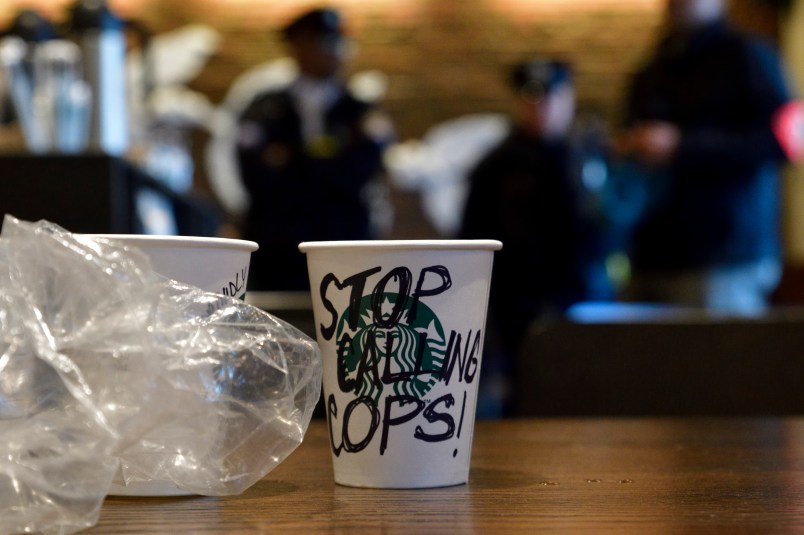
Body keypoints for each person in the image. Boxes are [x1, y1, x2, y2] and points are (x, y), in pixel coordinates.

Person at [618, 0, 795, 313]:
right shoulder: (654, 66)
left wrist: (684, 147)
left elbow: (787, 139)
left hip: (725, 257)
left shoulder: (747, 56)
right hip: (652, 255)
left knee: (717, 360)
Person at [460, 59, 602, 415]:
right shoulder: (497, 165)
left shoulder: (588, 155)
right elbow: (472, 238)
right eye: (535, 99)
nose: (544, 109)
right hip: (515, 309)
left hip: (584, 301)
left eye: (554, 97)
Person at [236, 7, 393, 291]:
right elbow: (255, 176)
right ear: (297, 47)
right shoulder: (265, 107)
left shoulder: (360, 111)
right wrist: (330, 162)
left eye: (338, 43)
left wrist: (293, 159)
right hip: (279, 252)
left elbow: (362, 170)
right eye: (321, 42)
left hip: (345, 249)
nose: (333, 52)